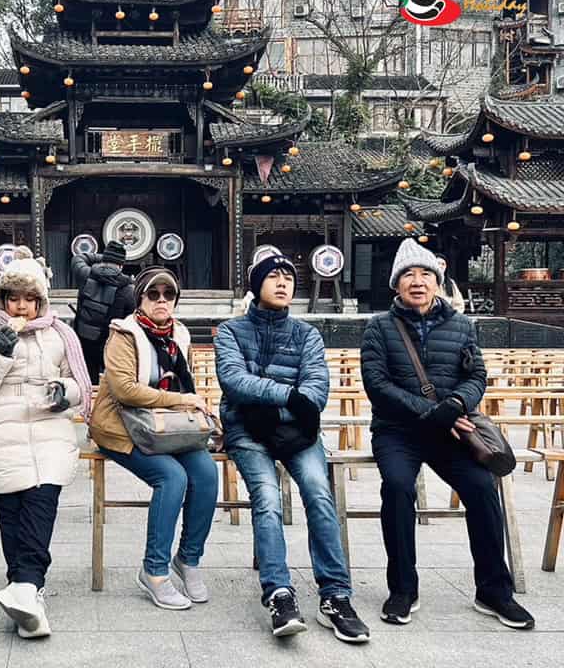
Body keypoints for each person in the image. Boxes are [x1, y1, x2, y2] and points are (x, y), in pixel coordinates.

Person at [361, 238, 534, 629]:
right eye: (408, 275)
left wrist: (455, 404)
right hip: (397, 432)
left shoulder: (461, 324)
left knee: (482, 487)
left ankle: (494, 590)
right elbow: (377, 385)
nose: (417, 281)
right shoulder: (379, 328)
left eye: (425, 274)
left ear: (437, 281)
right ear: (396, 284)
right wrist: (433, 412)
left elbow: (477, 375)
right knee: (398, 488)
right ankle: (403, 589)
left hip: (452, 431)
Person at [215, 254, 370, 643]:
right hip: (247, 430)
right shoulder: (231, 331)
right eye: (273, 276)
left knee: (319, 492)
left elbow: (316, 390)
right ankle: (279, 593)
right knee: (267, 497)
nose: (283, 283)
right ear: (256, 285)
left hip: (298, 432)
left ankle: (335, 595)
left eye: (288, 277)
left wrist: (278, 408)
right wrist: (288, 396)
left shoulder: (307, 334)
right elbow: (234, 380)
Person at [0, 246, 91, 639]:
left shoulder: (61, 335)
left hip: (49, 427)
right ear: (2, 300)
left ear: (40, 301)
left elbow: (78, 383)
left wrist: (64, 393)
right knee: (12, 514)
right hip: (1, 429)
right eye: (14, 298)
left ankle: (26, 585)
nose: (21, 306)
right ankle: (26, 590)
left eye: (29, 299)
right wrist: (0, 352)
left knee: (41, 505)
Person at [89, 267, 218, 610]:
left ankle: (188, 559)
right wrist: (181, 400)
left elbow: (185, 383)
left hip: (167, 426)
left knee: (206, 473)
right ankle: (154, 570)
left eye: (169, 294)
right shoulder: (124, 334)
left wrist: (190, 405)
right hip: (121, 425)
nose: (162, 300)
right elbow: (125, 391)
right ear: (140, 299)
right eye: (153, 294)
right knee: (172, 477)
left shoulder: (180, 334)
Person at [71, 240, 136, 384]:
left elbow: (79, 258)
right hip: (111, 345)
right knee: (113, 385)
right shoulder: (128, 289)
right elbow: (132, 320)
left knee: (88, 382)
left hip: (83, 340)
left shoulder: (85, 274)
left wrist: (104, 257)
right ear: (121, 265)